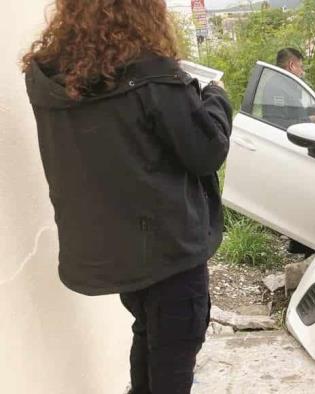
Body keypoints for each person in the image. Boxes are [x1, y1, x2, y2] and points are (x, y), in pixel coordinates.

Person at [21, 1, 232, 393]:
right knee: (176, 348)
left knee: (148, 333)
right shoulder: (152, 77)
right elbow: (206, 152)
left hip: (119, 251)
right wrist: (216, 98)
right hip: (169, 248)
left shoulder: (57, 77)